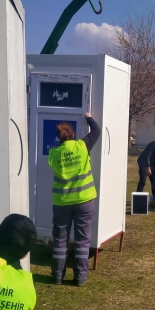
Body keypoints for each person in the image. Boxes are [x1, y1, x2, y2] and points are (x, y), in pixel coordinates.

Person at [48, 112, 100, 286]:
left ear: (58, 137)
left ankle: (57, 276)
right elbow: (96, 131)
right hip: (84, 201)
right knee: (82, 240)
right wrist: (89, 118)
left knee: (60, 240)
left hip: (62, 202)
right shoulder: (82, 146)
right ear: (73, 134)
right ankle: (80, 277)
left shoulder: (54, 154)